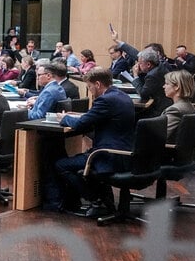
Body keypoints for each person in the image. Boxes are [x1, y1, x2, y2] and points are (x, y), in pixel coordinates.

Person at [52, 68, 136, 215]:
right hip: (125, 153)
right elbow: (98, 117)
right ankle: (100, 198)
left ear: (97, 84)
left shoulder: (105, 100)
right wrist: (80, 115)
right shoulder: (121, 96)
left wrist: (64, 118)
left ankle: (95, 199)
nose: (90, 91)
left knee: (61, 165)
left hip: (108, 156)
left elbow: (80, 125)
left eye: (89, 86)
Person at [128, 48, 171, 117]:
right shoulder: (159, 66)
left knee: (131, 115)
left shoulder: (152, 75)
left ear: (148, 64)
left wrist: (135, 75)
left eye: (140, 63)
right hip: (162, 103)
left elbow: (143, 94)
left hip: (158, 108)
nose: (138, 65)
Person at [162, 70, 195, 142]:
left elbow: (160, 135)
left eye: (167, 84)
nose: (163, 86)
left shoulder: (175, 110)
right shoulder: (189, 106)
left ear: (177, 87)